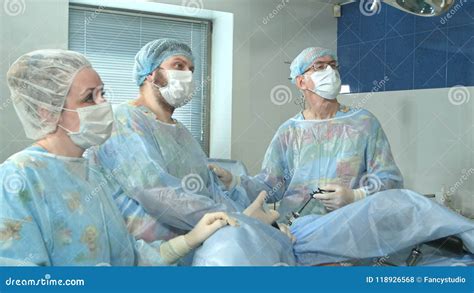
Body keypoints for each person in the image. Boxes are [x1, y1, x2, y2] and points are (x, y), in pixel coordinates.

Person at [0, 49, 236, 266]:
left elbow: (126, 257)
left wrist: (189, 240)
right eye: (89, 98)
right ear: (48, 112)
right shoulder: (19, 177)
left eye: (102, 94)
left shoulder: (91, 175)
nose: (104, 104)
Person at [93, 39, 296, 265]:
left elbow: (209, 191)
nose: (187, 75)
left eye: (191, 69)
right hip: (153, 256)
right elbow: (157, 192)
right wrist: (240, 221)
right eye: (178, 66)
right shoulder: (124, 120)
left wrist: (253, 221)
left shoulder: (180, 131)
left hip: (199, 251)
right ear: (151, 73)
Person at [210, 47, 404, 220]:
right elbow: (270, 186)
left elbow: (390, 180)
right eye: (319, 67)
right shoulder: (290, 131)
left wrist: (356, 196)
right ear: (301, 81)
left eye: (333, 65)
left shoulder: (363, 123)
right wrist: (233, 180)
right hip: (297, 231)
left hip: (350, 229)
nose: (330, 71)